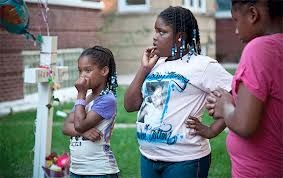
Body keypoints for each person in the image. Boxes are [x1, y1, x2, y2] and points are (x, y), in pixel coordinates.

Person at [124, 6, 233, 178]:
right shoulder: (155, 65)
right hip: (148, 157)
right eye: (155, 31)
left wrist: (212, 130)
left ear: (179, 37)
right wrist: (144, 69)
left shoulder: (202, 65)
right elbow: (130, 106)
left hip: (185, 160)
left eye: (162, 32)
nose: (155, 37)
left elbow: (236, 93)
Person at [205, 0, 283, 177]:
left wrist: (225, 106)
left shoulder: (259, 49)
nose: (236, 30)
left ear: (253, 14)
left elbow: (244, 125)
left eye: (236, 20)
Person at [62, 46, 119, 178]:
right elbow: (66, 127)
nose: (82, 75)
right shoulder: (85, 99)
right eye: (80, 71)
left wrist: (81, 93)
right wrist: (85, 132)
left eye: (88, 70)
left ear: (104, 71)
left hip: (99, 171)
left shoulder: (107, 100)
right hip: (77, 170)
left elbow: (79, 125)